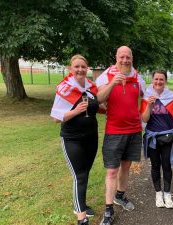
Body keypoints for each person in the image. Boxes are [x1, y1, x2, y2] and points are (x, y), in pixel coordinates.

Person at [96, 46, 145, 225]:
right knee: (111, 170)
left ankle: (120, 196)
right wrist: (112, 83)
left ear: (132, 58)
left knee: (125, 167)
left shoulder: (138, 76)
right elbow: (99, 99)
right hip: (114, 130)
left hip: (134, 130)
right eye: (122, 57)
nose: (125, 60)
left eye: (128, 57)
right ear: (116, 57)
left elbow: (145, 96)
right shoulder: (106, 74)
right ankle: (108, 210)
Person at [50, 55, 99, 225]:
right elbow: (56, 118)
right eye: (76, 66)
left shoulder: (91, 88)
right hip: (73, 139)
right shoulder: (66, 88)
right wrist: (76, 110)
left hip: (91, 137)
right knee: (80, 176)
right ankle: (81, 219)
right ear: (71, 69)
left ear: (87, 69)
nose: (80, 70)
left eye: (83, 67)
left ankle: (81, 204)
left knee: (85, 173)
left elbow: (98, 107)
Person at [141, 70, 173, 209]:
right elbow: (144, 119)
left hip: (168, 137)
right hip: (152, 137)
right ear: (152, 80)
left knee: (167, 165)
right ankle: (158, 193)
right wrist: (149, 105)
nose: (158, 82)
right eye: (156, 79)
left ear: (165, 81)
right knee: (155, 165)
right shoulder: (147, 96)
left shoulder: (171, 96)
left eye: (161, 79)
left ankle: (168, 194)